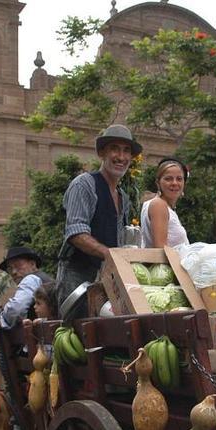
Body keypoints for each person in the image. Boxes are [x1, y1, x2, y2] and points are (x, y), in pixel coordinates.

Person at [56, 124, 141, 312]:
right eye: (115, 149)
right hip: (78, 279)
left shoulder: (123, 197)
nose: (121, 157)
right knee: (78, 334)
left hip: (107, 282)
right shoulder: (84, 185)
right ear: (102, 153)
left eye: (126, 151)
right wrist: (110, 254)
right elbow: (76, 232)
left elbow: (119, 240)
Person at [0, 246, 54, 327]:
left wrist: (2, 319)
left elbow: (16, 310)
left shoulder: (31, 279)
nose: (14, 272)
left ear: (32, 264)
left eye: (18, 265)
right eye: (10, 269)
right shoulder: (46, 278)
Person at [140, 157, 189, 248]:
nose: (174, 183)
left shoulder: (164, 207)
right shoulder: (158, 205)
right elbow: (161, 250)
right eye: (168, 179)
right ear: (158, 183)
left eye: (179, 179)